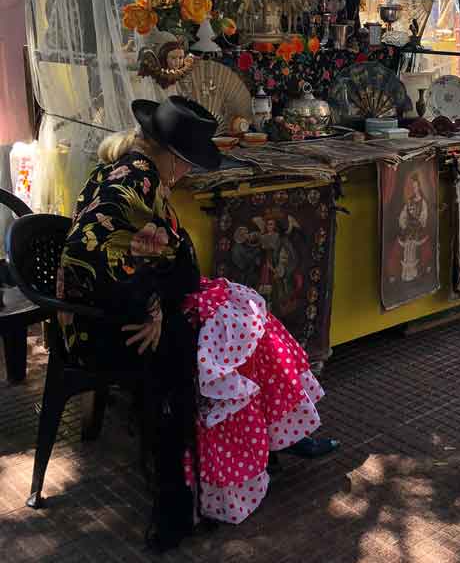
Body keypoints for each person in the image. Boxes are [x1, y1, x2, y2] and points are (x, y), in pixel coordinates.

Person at [58, 97, 337, 552]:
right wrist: (147, 307)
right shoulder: (135, 180)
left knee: (248, 317)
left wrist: (155, 296)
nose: (188, 172)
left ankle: (277, 436)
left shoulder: (135, 171)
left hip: (126, 307)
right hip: (110, 325)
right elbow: (90, 253)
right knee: (207, 353)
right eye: (186, 163)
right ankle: (175, 504)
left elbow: (147, 254)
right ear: (169, 155)